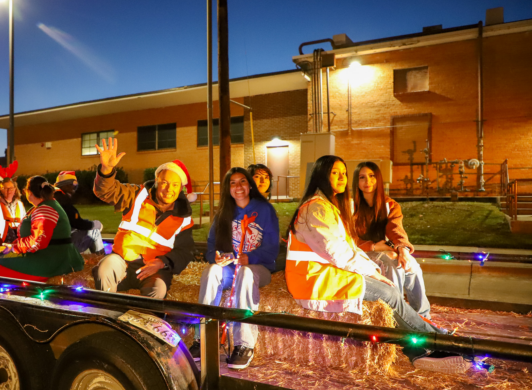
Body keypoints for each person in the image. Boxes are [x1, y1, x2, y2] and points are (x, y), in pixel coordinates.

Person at [285, 155, 468, 373]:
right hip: (314, 278)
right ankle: (434, 342)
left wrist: (378, 266)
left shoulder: (332, 206)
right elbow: (339, 253)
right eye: (335, 172)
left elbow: (352, 247)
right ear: (321, 175)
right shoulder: (317, 208)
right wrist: (373, 272)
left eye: (344, 172)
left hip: (329, 272)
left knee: (394, 283)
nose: (342, 177)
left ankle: (425, 342)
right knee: (389, 293)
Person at [193, 167, 279, 370]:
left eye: (242, 181)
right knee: (211, 271)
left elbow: (272, 249)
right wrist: (215, 257)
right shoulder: (223, 213)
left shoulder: (265, 210)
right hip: (231, 269)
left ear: (249, 185)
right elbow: (211, 245)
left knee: (246, 273)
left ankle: (244, 344)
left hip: (258, 269)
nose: (238, 186)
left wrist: (250, 257)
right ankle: (203, 337)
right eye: (233, 183)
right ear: (227, 188)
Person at [92, 137, 195, 299]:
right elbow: (106, 191)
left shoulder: (184, 219)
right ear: (156, 182)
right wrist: (106, 170)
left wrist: (162, 262)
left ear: (181, 188)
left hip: (153, 269)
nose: (169, 189)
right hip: (122, 262)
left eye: (175, 185)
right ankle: (108, 316)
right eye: (165, 183)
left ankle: (141, 322)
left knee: (158, 290)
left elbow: (185, 251)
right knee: (105, 267)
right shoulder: (136, 195)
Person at [352, 161, 430, 318]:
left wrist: (403, 249)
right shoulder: (351, 206)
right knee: (392, 264)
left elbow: (395, 228)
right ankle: (397, 314)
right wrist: (372, 246)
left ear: (379, 179)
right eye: (362, 177)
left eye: (372, 176)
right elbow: (350, 237)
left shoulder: (390, 204)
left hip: (386, 247)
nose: (367, 182)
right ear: (356, 181)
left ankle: (422, 316)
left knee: (412, 266)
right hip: (362, 251)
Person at [0, 176, 84, 281]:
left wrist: (14, 248)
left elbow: (37, 241)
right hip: (51, 256)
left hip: (51, 261)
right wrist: (13, 246)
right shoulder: (45, 206)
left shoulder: (45, 209)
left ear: (30, 192)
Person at [54, 170, 105, 254]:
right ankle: (102, 262)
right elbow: (77, 223)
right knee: (94, 231)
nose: (74, 187)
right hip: (63, 247)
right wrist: (94, 224)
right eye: (73, 184)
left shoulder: (53, 197)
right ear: (66, 185)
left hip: (54, 243)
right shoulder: (63, 200)